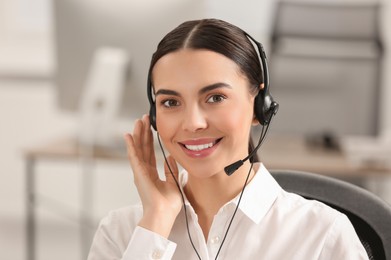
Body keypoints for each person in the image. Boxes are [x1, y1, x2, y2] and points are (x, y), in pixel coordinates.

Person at [88, 18, 368, 259]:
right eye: (171, 102)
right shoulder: (121, 232)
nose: (193, 123)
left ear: (260, 108)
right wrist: (156, 223)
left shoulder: (321, 235)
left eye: (215, 98)